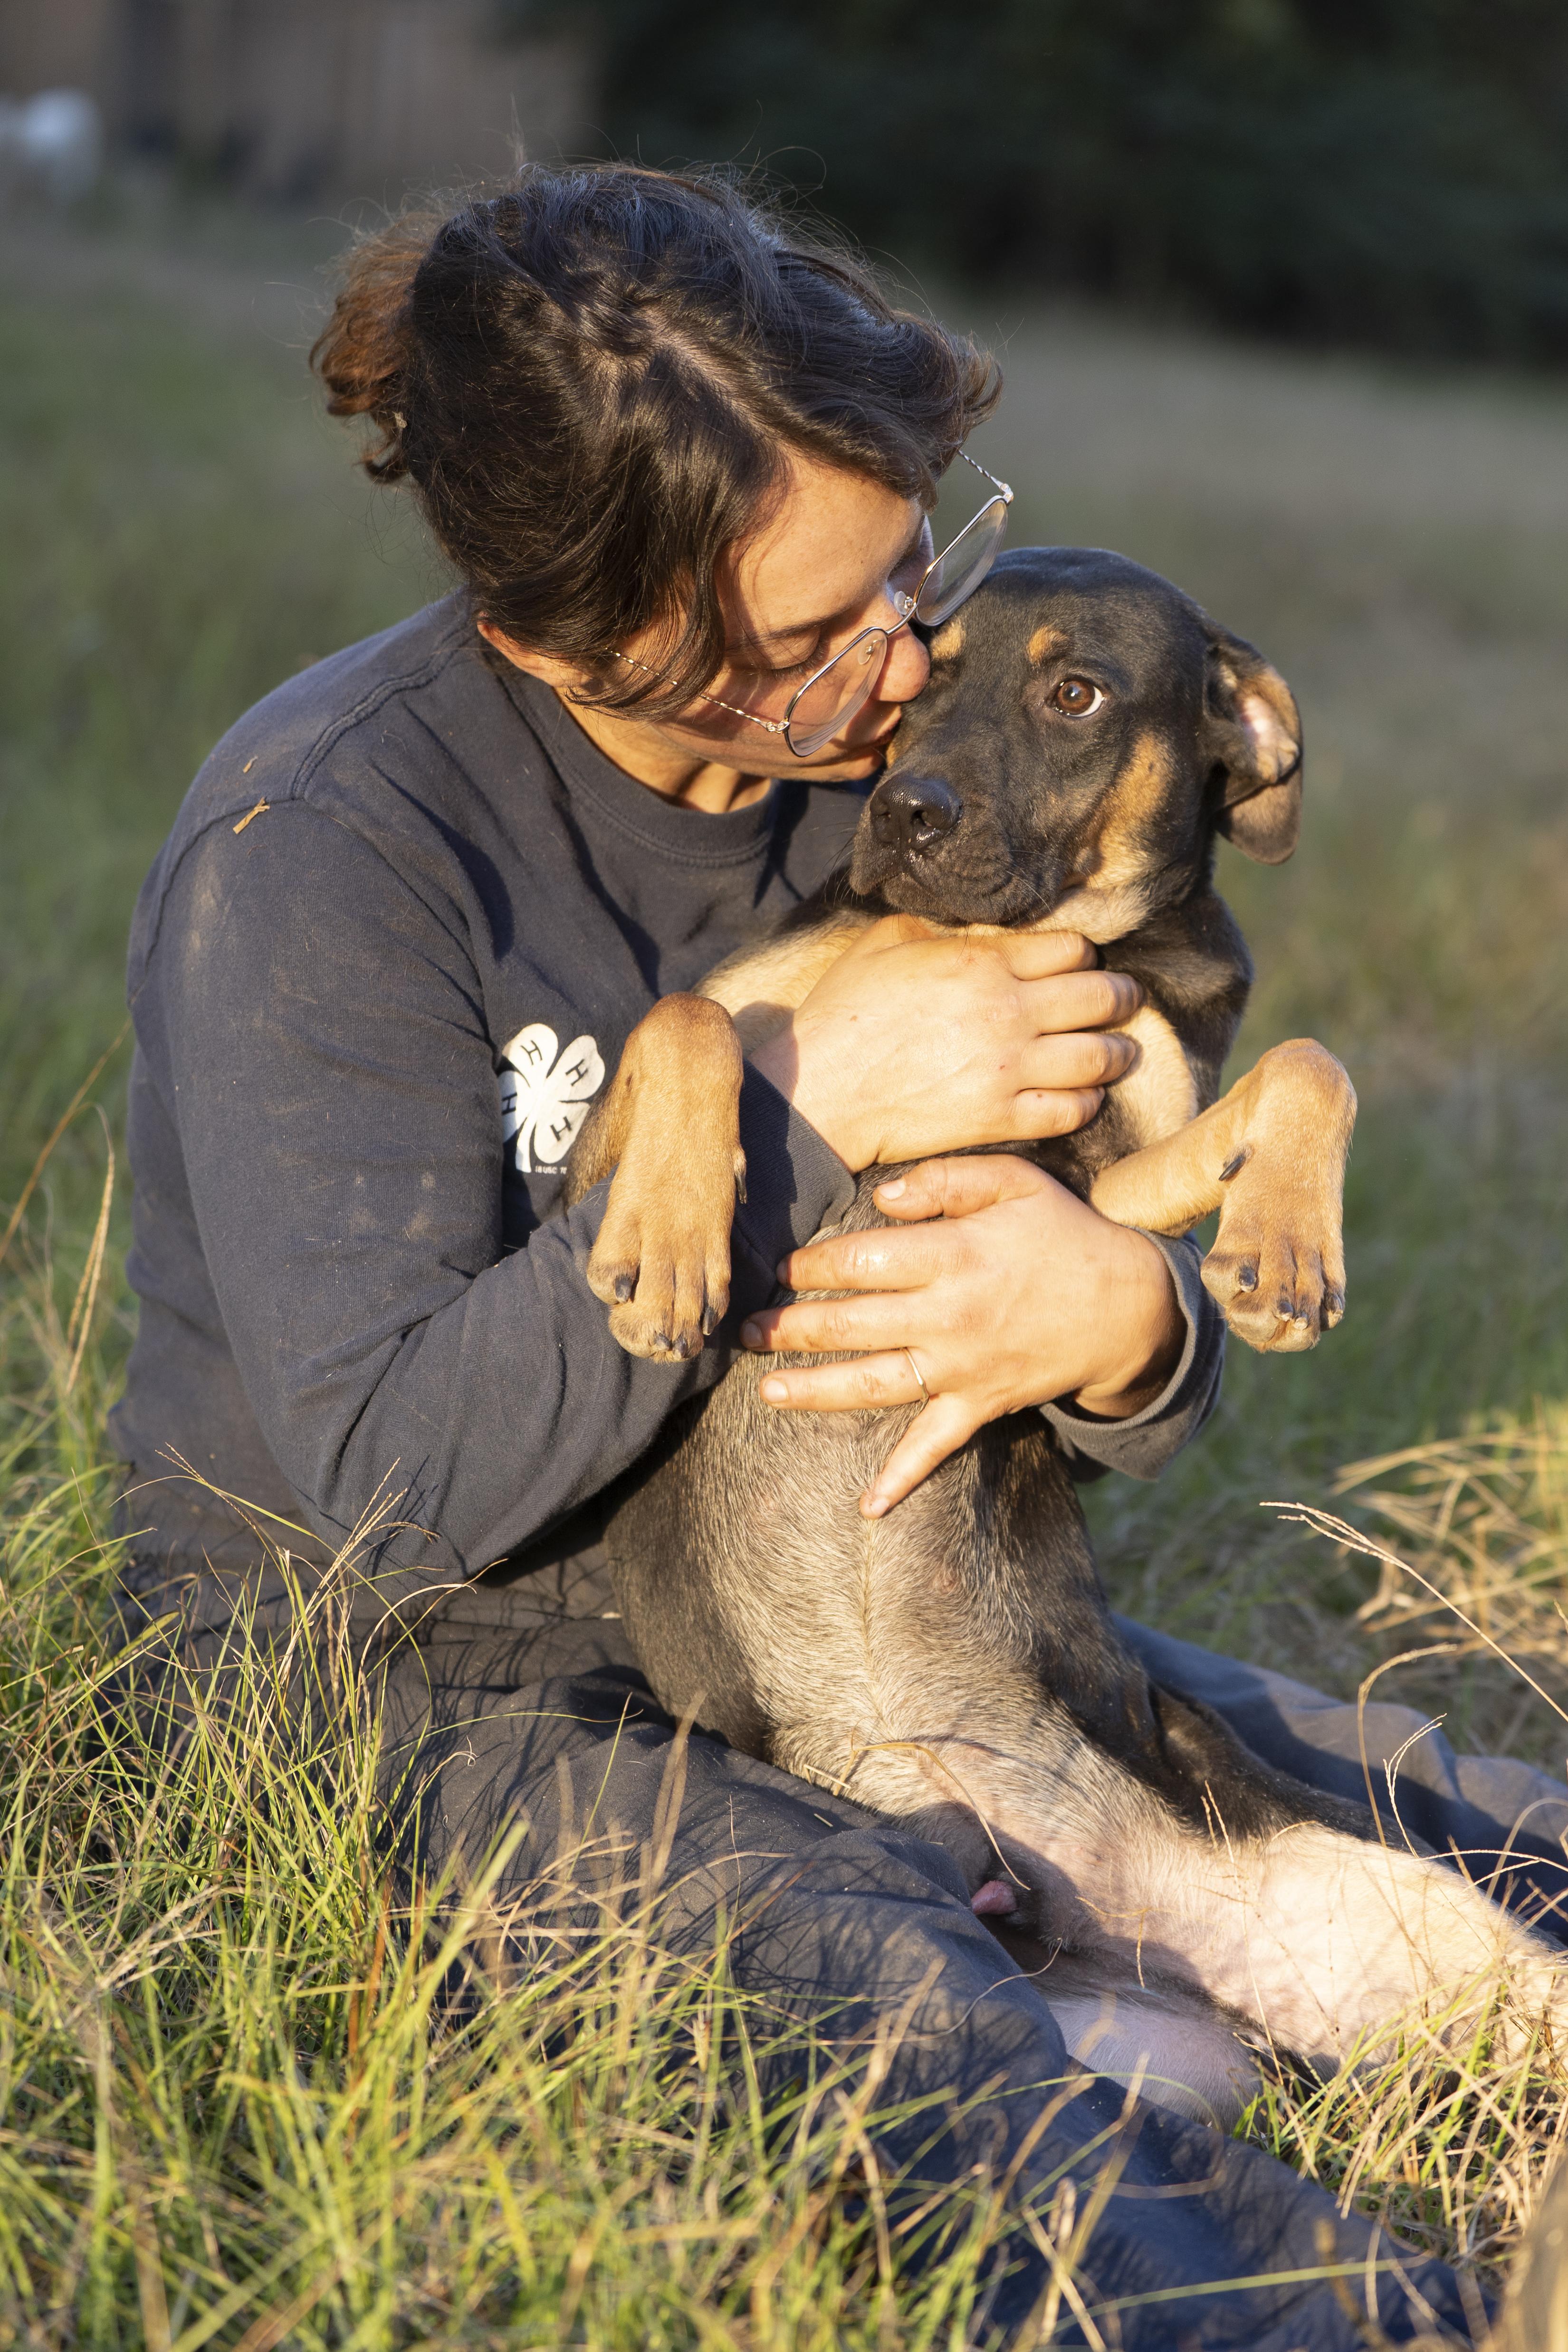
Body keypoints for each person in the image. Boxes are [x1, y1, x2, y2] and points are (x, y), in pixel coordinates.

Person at [109, 163, 1566, 2347]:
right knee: (917, 2041)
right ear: (579, 635)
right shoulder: (322, 852)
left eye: (913, 570)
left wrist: (1130, 1316)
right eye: (814, 641)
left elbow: (1121, 1245)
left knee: (1474, 1818)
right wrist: (793, 1104)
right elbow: (393, 1505)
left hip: (879, 1616)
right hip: (450, 1687)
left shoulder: (892, 773)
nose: (902, 676)